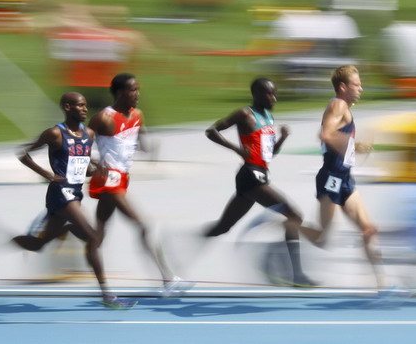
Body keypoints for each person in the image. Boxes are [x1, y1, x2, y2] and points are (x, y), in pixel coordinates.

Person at [12, 92, 135, 308]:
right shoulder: (54, 134)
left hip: (75, 193)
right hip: (60, 193)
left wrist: (97, 169)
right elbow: (23, 154)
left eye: (86, 105)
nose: (85, 109)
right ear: (67, 107)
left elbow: (84, 168)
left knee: (37, 244)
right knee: (93, 239)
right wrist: (47, 174)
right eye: (80, 105)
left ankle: (1, 236)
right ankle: (108, 296)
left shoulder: (88, 134)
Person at [204, 78, 315, 287]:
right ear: (256, 95)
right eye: (269, 94)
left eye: (275, 94)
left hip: (261, 173)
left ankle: (185, 243)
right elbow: (212, 131)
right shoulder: (245, 114)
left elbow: (269, 153)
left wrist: (282, 138)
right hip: (250, 175)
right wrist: (236, 149)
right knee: (294, 215)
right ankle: (297, 275)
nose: (274, 98)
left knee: (223, 227)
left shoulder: (268, 117)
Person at [88, 73, 190, 296]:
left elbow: (140, 144)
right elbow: (80, 145)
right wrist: (94, 163)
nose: (137, 94)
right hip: (109, 178)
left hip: (123, 178)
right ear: (121, 92)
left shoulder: (137, 115)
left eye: (138, 90)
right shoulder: (103, 118)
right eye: (133, 90)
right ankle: (167, 279)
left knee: (98, 235)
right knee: (142, 225)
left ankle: (67, 229)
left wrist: (151, 148)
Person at [300, 65, 387, 290]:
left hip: (345, 179)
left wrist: (354, 146)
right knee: (322, 238)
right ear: (343, 87)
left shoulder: (344, 108)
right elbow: (326, 134)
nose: (361, 88)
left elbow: (334, 140)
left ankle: (382, 286)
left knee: (368, 229)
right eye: (356, 84)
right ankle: (287, 223)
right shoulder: (337, 105)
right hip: (331, 178)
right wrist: (347, 143)